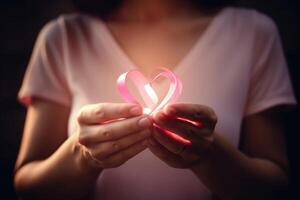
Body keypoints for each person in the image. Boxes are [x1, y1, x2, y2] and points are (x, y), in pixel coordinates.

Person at [14, 0, 297, 199]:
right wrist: (81, 154)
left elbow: (276, 188)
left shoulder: (253, 33)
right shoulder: (63, 38)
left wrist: (211, 156)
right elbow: (28, 187)